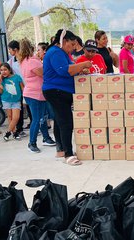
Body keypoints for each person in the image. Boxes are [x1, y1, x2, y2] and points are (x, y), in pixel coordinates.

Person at [43, 29, 92, 166]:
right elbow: (64, 70)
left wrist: (80, 69)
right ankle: (68, 154)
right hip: (56, 91)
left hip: (61, 90)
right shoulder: (55, 52)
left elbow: (70, 68)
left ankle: (61, 150)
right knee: (66, 122)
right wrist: (83, 64)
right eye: (71, 44)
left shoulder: (63, 53)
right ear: (64, 41)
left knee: (60, 121)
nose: (73, 48)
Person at [17, 38, 56, 153]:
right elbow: (44, 74)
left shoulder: (24, 61)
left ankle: (46, 138)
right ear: (32, 49)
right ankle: (32, 143)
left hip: (35, 93)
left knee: (42, 117)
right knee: (37, 119)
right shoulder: (32, 61)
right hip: (35, 94)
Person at [0, 63, 24, 141]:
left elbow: (22, 88)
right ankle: (15, 133)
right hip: (6, 100)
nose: (3, 72)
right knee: (10, 117)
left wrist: (24, 98)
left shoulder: (17, 77)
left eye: (5, 70)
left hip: (16, 100)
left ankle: (8, 132)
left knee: (16, 117)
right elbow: (1, 91)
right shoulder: (3, 80)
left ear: (9, 70)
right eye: (1, 70)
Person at [7, 40, 28, 137]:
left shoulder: (25, 58)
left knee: (30, 107)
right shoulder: (11, 61)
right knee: (18, 108)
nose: (9, 51)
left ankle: (34, 125)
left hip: (28, 86)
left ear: (15, 49)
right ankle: (19, 129)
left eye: (10, 49)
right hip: (18, 88)